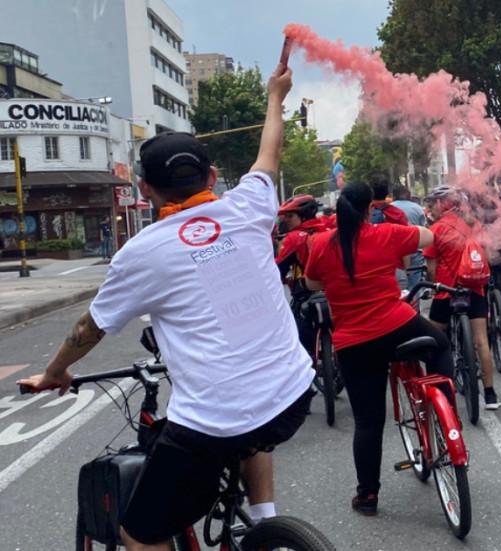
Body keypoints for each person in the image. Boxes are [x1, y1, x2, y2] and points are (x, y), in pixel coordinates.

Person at [18, 63, 312, 551]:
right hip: (294, 393)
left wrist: (54, 373)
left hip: (218, 421)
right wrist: (276, 96)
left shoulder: (142, 253)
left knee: (139, 533)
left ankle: (257, 525)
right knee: (253, 424)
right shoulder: (250, 205)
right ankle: (265, 524)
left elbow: (90, 329)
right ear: (213, 177)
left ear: (145, 190)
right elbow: (270, 152)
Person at [303, 180, 452, 517]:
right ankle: (446, 406)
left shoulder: (323, 244)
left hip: (354, 344)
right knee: (441, 345)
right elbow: (428, 237)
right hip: (398, 326)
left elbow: (312, 282)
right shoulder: (385, 234)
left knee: (368, 422)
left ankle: (367, 495)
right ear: (371, 208)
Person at [423, 185, 501, 409]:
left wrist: (433, 285)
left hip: (446, 290)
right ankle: (490, 394)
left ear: (441, 204)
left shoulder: (435, 229)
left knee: (435, 337)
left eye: (432, 204)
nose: (430, 209)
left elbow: (431, 268)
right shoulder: (473, 224)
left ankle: (439, 387)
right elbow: (487, 255)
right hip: (474, 289)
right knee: (481, 341)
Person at [275, 193, 327, 353]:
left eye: (290, 216)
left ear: (303, 216)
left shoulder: (294, 238)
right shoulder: (328, 229)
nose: (285, 220)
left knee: (298, 339)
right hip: (337, 290)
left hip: (306, 293)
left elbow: (278, 270)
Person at [391, 183, 428, 291]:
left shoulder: (390, 208)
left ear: (394, 196)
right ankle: (414, 305)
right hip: (415, 249)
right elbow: (424, 228)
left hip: (396, 252)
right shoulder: (417, 208)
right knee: (415, 284)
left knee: (399, 284)